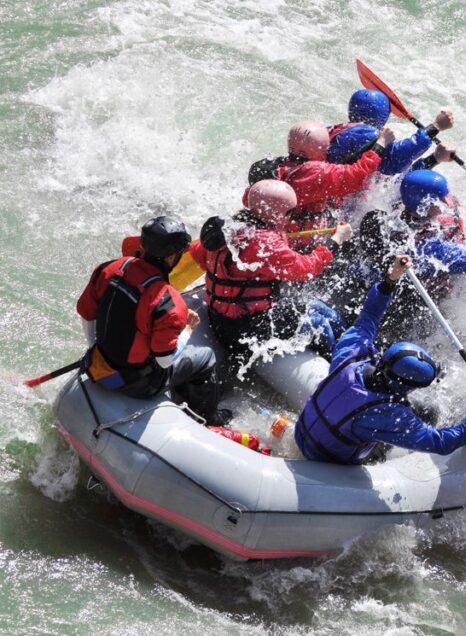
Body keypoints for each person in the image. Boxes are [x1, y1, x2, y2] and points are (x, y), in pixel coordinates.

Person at [293, 255, 466, 465]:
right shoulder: (388, 414)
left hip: (302, 432)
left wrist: (390, 280)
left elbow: (368, 317)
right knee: (429, 412)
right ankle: (377, 460)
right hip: (326, 459)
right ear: (406, 386)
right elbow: (441, 442)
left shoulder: (351, 353)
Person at [189, 180, 353, 372]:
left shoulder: (227, 231)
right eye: (288, 213)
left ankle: (353, 349)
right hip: (244, 331)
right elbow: (308, 269)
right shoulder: (263, 242)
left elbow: (199, 255)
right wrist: (336, 239)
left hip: (228, 320)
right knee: (320, 323)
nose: (290, 218)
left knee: (324, 311)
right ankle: (343, 369)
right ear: (275, 213)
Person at [76, 216, 226, 424]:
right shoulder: (168, 302)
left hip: (98, 363)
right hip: (138, 383)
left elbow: (87, 314)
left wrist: (96, 350)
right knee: (205, 357)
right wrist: (188, 330)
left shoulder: (109, 268)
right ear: (171, 256)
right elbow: (164, 360)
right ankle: (210, 419)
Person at [245, 120, 394, 248]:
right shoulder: (314, 172)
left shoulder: (279, 168)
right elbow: (357, 176)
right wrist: (381, 144)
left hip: (274, 234)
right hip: (300, 244)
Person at [330, 89, 455, 176]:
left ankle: (437, 158)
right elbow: (397, 160)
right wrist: (436, 126)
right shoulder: (369, 134)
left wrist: (435, 157)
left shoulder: (336, 129)